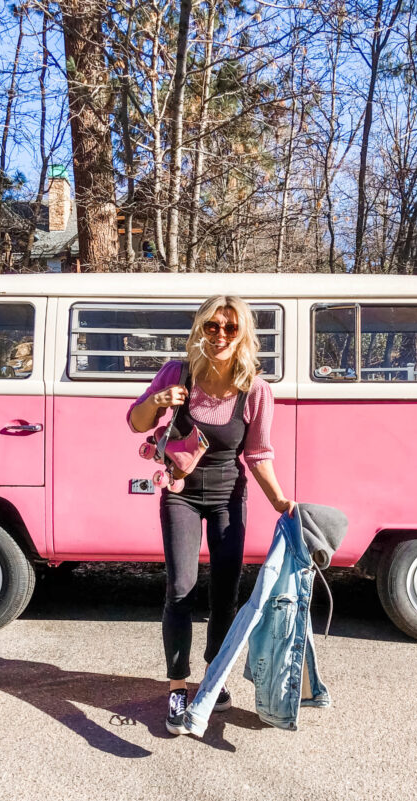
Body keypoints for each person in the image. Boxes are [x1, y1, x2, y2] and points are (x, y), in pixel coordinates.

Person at [127, 295, 294, 735]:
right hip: (181, 495)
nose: (220, 335)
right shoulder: (176, 373)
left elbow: (257, 454)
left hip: (228, 498)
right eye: (212, 326)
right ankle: (178, 687)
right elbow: (136, 422)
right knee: (180, 588)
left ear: (243, 335)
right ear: (200, 329)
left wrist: (281, 502)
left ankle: (213, 680)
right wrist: (159, 400)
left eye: (230, 327)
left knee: (225, 594)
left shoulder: (254, 389)